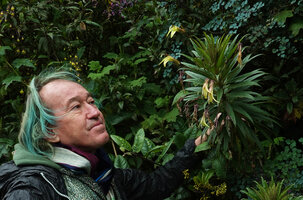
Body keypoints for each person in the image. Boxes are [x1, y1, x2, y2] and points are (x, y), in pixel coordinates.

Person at [0, 70, 206, 200]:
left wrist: (200, 144)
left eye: (90, 101)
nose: (94, 112)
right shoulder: (34, 187)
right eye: (76, 107)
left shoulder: (103, 176)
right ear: (49, 132)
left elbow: (158, 184)